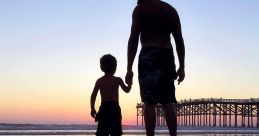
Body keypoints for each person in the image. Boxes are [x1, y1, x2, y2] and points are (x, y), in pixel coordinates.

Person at [125, 0, 185, 136]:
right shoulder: (171, 10)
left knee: (149, 102)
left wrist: (129, 68)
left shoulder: (140, 9)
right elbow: (179, 40)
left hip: (148, 54)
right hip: (167, 55)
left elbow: (133, 39)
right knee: (168, 101)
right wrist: (182, 66)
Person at [91, 54, 132, 136]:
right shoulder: (118, 80)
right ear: (115, 67)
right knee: (116, 132)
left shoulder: (99, 81)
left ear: (101, 67)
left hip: (104, 108)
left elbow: (93, 95)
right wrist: (130, 83)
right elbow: (127, 90)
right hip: (114, 108)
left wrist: (92, 108)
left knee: (102, 132)